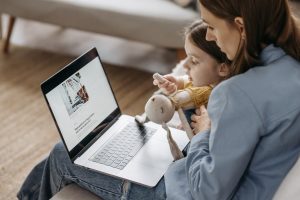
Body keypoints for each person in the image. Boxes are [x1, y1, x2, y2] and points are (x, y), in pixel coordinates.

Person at [18, 0, 300, 199]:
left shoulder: (238, 93)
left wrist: (203, 134)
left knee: (62, 154)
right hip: (238, 180)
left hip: (180, 191)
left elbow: (206, 193)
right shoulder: (291, 65)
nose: (211, 36)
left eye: (212, 26)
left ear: (240, 27)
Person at [153, 20, 230, 126]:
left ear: (222, 68)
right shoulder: (209, 81)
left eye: (194, 61)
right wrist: (176, 83)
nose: (184, 65)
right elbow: (188, 82)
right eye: (186, 57)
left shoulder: (225, 102)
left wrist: (202, 131)